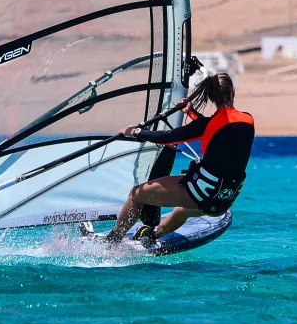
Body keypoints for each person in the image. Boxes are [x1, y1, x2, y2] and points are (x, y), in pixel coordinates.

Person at [105, 72, 253, 243]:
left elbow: (167, 137)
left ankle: (112, 241)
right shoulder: (248, 120)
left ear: (211, 98)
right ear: (233, 92)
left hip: (201, 194)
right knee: (182, 211)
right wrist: (190, 112)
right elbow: (218, 128)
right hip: (224, 199)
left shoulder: (206, 126)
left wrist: (137, 132)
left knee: (136, 194)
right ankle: (152, 235)